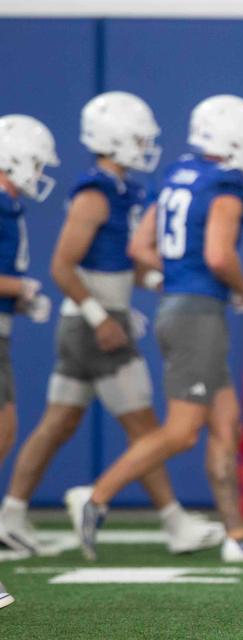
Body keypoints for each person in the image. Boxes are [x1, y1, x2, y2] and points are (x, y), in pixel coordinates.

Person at [65, 94, 243, 564]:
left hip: (178, 308)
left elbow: (140, 248)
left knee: (226, 424)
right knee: (185, 429)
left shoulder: (175, 176)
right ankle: (96, 496)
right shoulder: (225, 184)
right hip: (197, 316)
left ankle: (235, 534)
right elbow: (217, 254)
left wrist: (180, 282)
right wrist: (239, 288)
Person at [0, 95, 221, 558]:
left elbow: (125, 264)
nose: (145, 146)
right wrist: (103, 316)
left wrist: (159, 280)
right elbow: (63, 265)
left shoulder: (120, 190)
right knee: (145, 428)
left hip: (93, 320)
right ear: (114, 138)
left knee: (57, 423)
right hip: (94, 324)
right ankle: (173, 521)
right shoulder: (96, 193)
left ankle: (12, 514)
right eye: (138, 137)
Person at [0, 113, 60, 609]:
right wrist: (21, 287)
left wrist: (17, 298)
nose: (38, 171)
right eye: (35, 161)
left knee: (5, 431)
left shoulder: (10, 205)